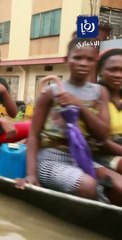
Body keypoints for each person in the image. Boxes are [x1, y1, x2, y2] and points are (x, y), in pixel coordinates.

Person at [25, 38, 110, 201]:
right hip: (51, 158)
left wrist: (80, 106)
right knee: (88, 185)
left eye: (89, 59)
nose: (83, 63)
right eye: (77, 58)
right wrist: (31, 174)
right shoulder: (51, 92)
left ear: (95, 62)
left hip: (84, 158)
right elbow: (34, 135)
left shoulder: (100, 92)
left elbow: (103, 134)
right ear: (67, 60)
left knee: (118, 187)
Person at [94, 48, 122, 205]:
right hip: (100, 153)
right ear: (101, 71)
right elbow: (101, 141)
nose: (118, 74)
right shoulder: (93, 97)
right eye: (113, 69)